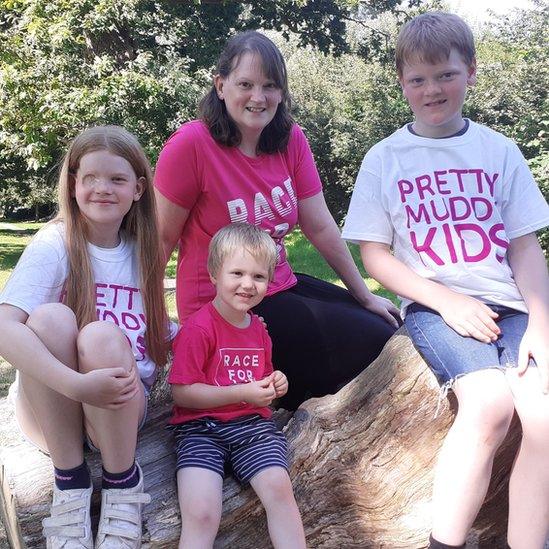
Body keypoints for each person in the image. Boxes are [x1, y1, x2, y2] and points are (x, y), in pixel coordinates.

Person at [342, 11, 549, 549]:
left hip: (511, 307)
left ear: (472, 73)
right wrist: (445, 300)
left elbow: (524, 246)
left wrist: (542, 323)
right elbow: (376, 256)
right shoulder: (386, 158)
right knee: (488, 406)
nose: (432, 88)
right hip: (436, 310)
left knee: (545, 419)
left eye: (446, 74)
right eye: (418, 78)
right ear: (402, 84)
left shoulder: (499, 151)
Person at [154, 30, 400, 411]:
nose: (258, 97)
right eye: (245, 84)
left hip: (280, 283)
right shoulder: (191, 146)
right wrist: (150, 324)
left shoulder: (289, 139)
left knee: (386, 326)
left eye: (270, 86)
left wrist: (363, 294)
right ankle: (298, 408)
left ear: (282, 92)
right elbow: (159, 241)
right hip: (226, 303)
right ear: (220, 86)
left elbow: (319, 226)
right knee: (369, 343)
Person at [0, 126, 172, 548]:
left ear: (138, 189)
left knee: (101, 338)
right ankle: (70, 488)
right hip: (52, 410)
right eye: (90, 177)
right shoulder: (54, 243)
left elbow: (162, 332)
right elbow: (4, 328)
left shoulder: (143, 248)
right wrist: (75, 384)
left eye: (116, 179)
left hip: (117, 412)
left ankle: (122, 488)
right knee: (51, 318)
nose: (101, 188)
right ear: (73, 182)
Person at [169, 222, 306, 548]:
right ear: (215, 274)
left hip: (252, 429)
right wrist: (242, 393)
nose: (248, 284)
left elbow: (261, 381)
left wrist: (276, 382)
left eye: (258, 277)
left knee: (279, 490)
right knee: (201, 511)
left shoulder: (258, 329)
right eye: (237, 274)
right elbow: (182, 392)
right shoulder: (199, 328)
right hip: (200, 429)